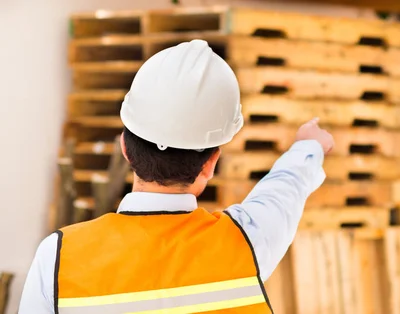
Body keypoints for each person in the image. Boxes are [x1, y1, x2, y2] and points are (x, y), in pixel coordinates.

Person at [19, 40, 334, 313]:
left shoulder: (58, 256)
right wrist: (310, 145)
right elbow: (284, 191)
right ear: (211, 163)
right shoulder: (246, 242)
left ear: (125, 148)